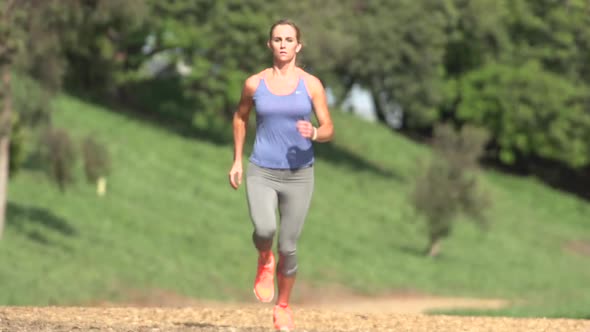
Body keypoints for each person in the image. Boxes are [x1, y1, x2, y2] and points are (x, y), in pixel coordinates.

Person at [228, 18, 334, 331]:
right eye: (278, 39)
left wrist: (314, 132)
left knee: (288, 246)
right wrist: (237, 160)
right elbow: (240, 118)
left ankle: (283, 307)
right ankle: (264, 258)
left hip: (300, 175)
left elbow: (328, 127)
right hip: (261, 170)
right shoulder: (254, 84)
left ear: (298, 46)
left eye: (289, 39)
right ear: (270, 45)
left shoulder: (311, 84)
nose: (284, 44)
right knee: (264, 229)